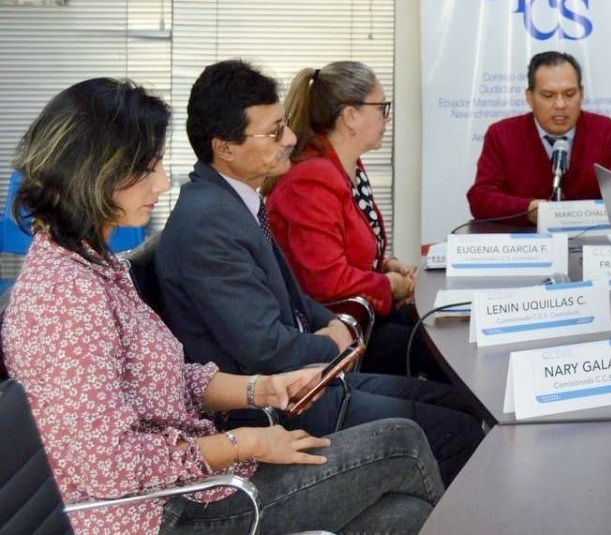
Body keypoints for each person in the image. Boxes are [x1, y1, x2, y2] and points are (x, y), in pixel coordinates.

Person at [0, 78, 443, 535]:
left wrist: (260, 389)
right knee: (402, 443)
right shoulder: (64, 297)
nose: (162, 181)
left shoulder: (96, 265)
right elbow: (110, 465)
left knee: (405, 518)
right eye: (148, 168)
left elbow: (161, 382)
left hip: (197, 481)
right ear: (95, 173)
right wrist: (245, 441)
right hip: (159, 514)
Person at [155, 59, 483, 483]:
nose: (290, 139)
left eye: (284, 126)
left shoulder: (234, 201)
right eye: (274, 132)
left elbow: (291, 297)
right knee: (461, 433)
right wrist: (333, 344)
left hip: (312, 381)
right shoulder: (208, 222)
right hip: (281, 408)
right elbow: (266, 349)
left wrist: (329, 322)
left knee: (462, 404)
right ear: (225, 146)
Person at [265, 61, 419, 374]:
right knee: (430, 349)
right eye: (382, 107)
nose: (386, 118)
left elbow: (345, 245)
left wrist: (384, 264)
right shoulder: (311, 180)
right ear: (350, 116)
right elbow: (326, 280)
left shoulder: (349, 168)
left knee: (438, 327)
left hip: (360, 317)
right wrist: (388, 285)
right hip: (333, 332)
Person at [467, 50, 611, 223]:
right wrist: (528, 210)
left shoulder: (606, 131)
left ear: (581, 93)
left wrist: (576, 216)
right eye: (548, 95)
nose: (560, 104)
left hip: (592, 244)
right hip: (526, 245)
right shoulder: (501, 135)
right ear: (529, 97)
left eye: (569, 94)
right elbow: (481, 199)